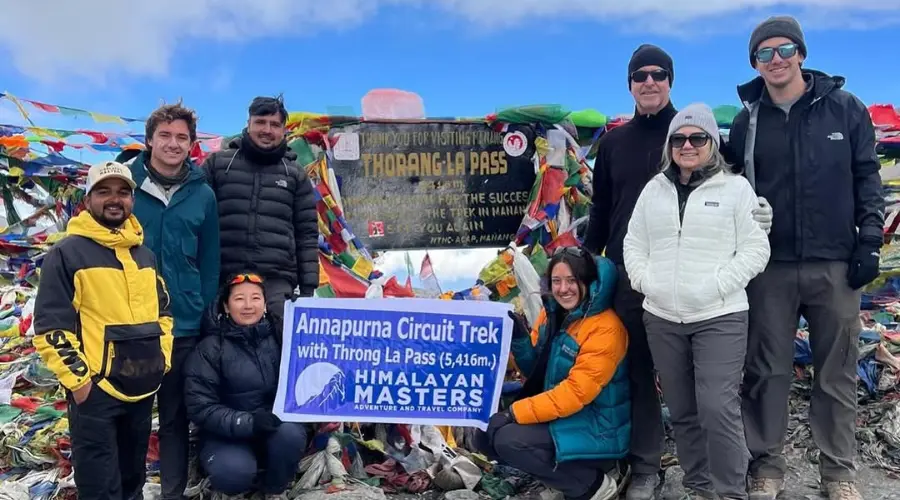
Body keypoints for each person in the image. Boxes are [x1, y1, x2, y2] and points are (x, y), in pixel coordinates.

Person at [728, 16, 884, 500]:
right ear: (755, 62)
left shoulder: (845, 110)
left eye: (783, 50)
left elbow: (867, 176)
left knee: (835, 371)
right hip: (768, 267)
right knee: (767, 370)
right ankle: (767, 466)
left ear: (801, 53)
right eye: (763, 53)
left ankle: (838, 472)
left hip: (834, 264)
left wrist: (870, 241)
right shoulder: (747, 120)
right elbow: (731, 190)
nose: (775, 60)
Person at [623, 103, 771, 500]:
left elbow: (757, 250)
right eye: (679, 139)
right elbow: (633, 244)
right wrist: (646, 281)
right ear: (670, 145)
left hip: (719, 315)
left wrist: (718, 285)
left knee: (716, 406)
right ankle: (699, 487)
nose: (687, 145)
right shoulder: (654, 190)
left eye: (697, 138)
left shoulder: (735, 189)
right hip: (662, 316)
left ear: (713, 143)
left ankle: (729, 492)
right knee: (683, 409)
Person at [32, 161, 174, 500]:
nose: (115, 200)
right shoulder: (66, 254)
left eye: (123, 192)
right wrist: (82, 385)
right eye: (104, 191)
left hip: (141, 389)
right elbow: (51, 328)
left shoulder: (145, 256)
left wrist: (161, 361)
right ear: (87, 200)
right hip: (96, 393)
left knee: (132, 484)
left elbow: (164, 314)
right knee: (99, 487)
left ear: (133, 201)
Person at [582, 43, 676, 499]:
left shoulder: (691, 136)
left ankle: (711, 463)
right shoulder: (615, 143)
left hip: (685, 274)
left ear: (671, 81)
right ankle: (644, 465)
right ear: (630, 85)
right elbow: (601, 210)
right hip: (626, 275)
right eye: (641, 75)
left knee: (689, 372)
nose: (650, 82)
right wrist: (584, 262)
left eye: (658, 74)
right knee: (635, 370)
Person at [116, 101, 220, 500]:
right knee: (134, 416)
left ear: (192, 145)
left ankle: (172, 494)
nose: (173, 144)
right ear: (149, 140)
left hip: (184, 323)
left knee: (175, 418)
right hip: (130, 323)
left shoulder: (203, 195)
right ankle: (131, 491)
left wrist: (205, 309)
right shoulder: (123, 185)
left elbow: (210, 260)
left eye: (181, 137)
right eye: (165, 136)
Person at [479, 247, 630, 500]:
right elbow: (536, 372)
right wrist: (520, 340)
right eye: (557, 281)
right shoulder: (557, 316)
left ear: (589, 282)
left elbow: (574, 394)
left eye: (572, 280)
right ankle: (565, 475)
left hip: (599, 426)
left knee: (508, 439)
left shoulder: (606, 328)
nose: (563, 289)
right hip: (569, 418)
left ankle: (592, 484)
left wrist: (513, 413)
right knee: (484, 434)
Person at [201, 95, 318, 341]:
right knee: (213, 341)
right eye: (260, 122)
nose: (267, 130)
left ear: (283, 130)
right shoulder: (219, 165)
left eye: (274, 125)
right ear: (248, 124)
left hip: (276, 277)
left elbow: (306, 232)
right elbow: (196, 219)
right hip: (223, 272)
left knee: (285, 342)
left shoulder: (295, 174)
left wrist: (308, 288)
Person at [184, 273, 308, 499]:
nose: (248, 306)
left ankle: (274, 488)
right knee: (233, 473)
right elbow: (200, 407)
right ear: (226, 306)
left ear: (266, 304)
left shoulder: (283, 338)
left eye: (256, 298)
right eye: (239, 299)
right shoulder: (209, 348)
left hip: (273, 428)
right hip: (224, 434)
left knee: (290, 435)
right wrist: (247, 422)